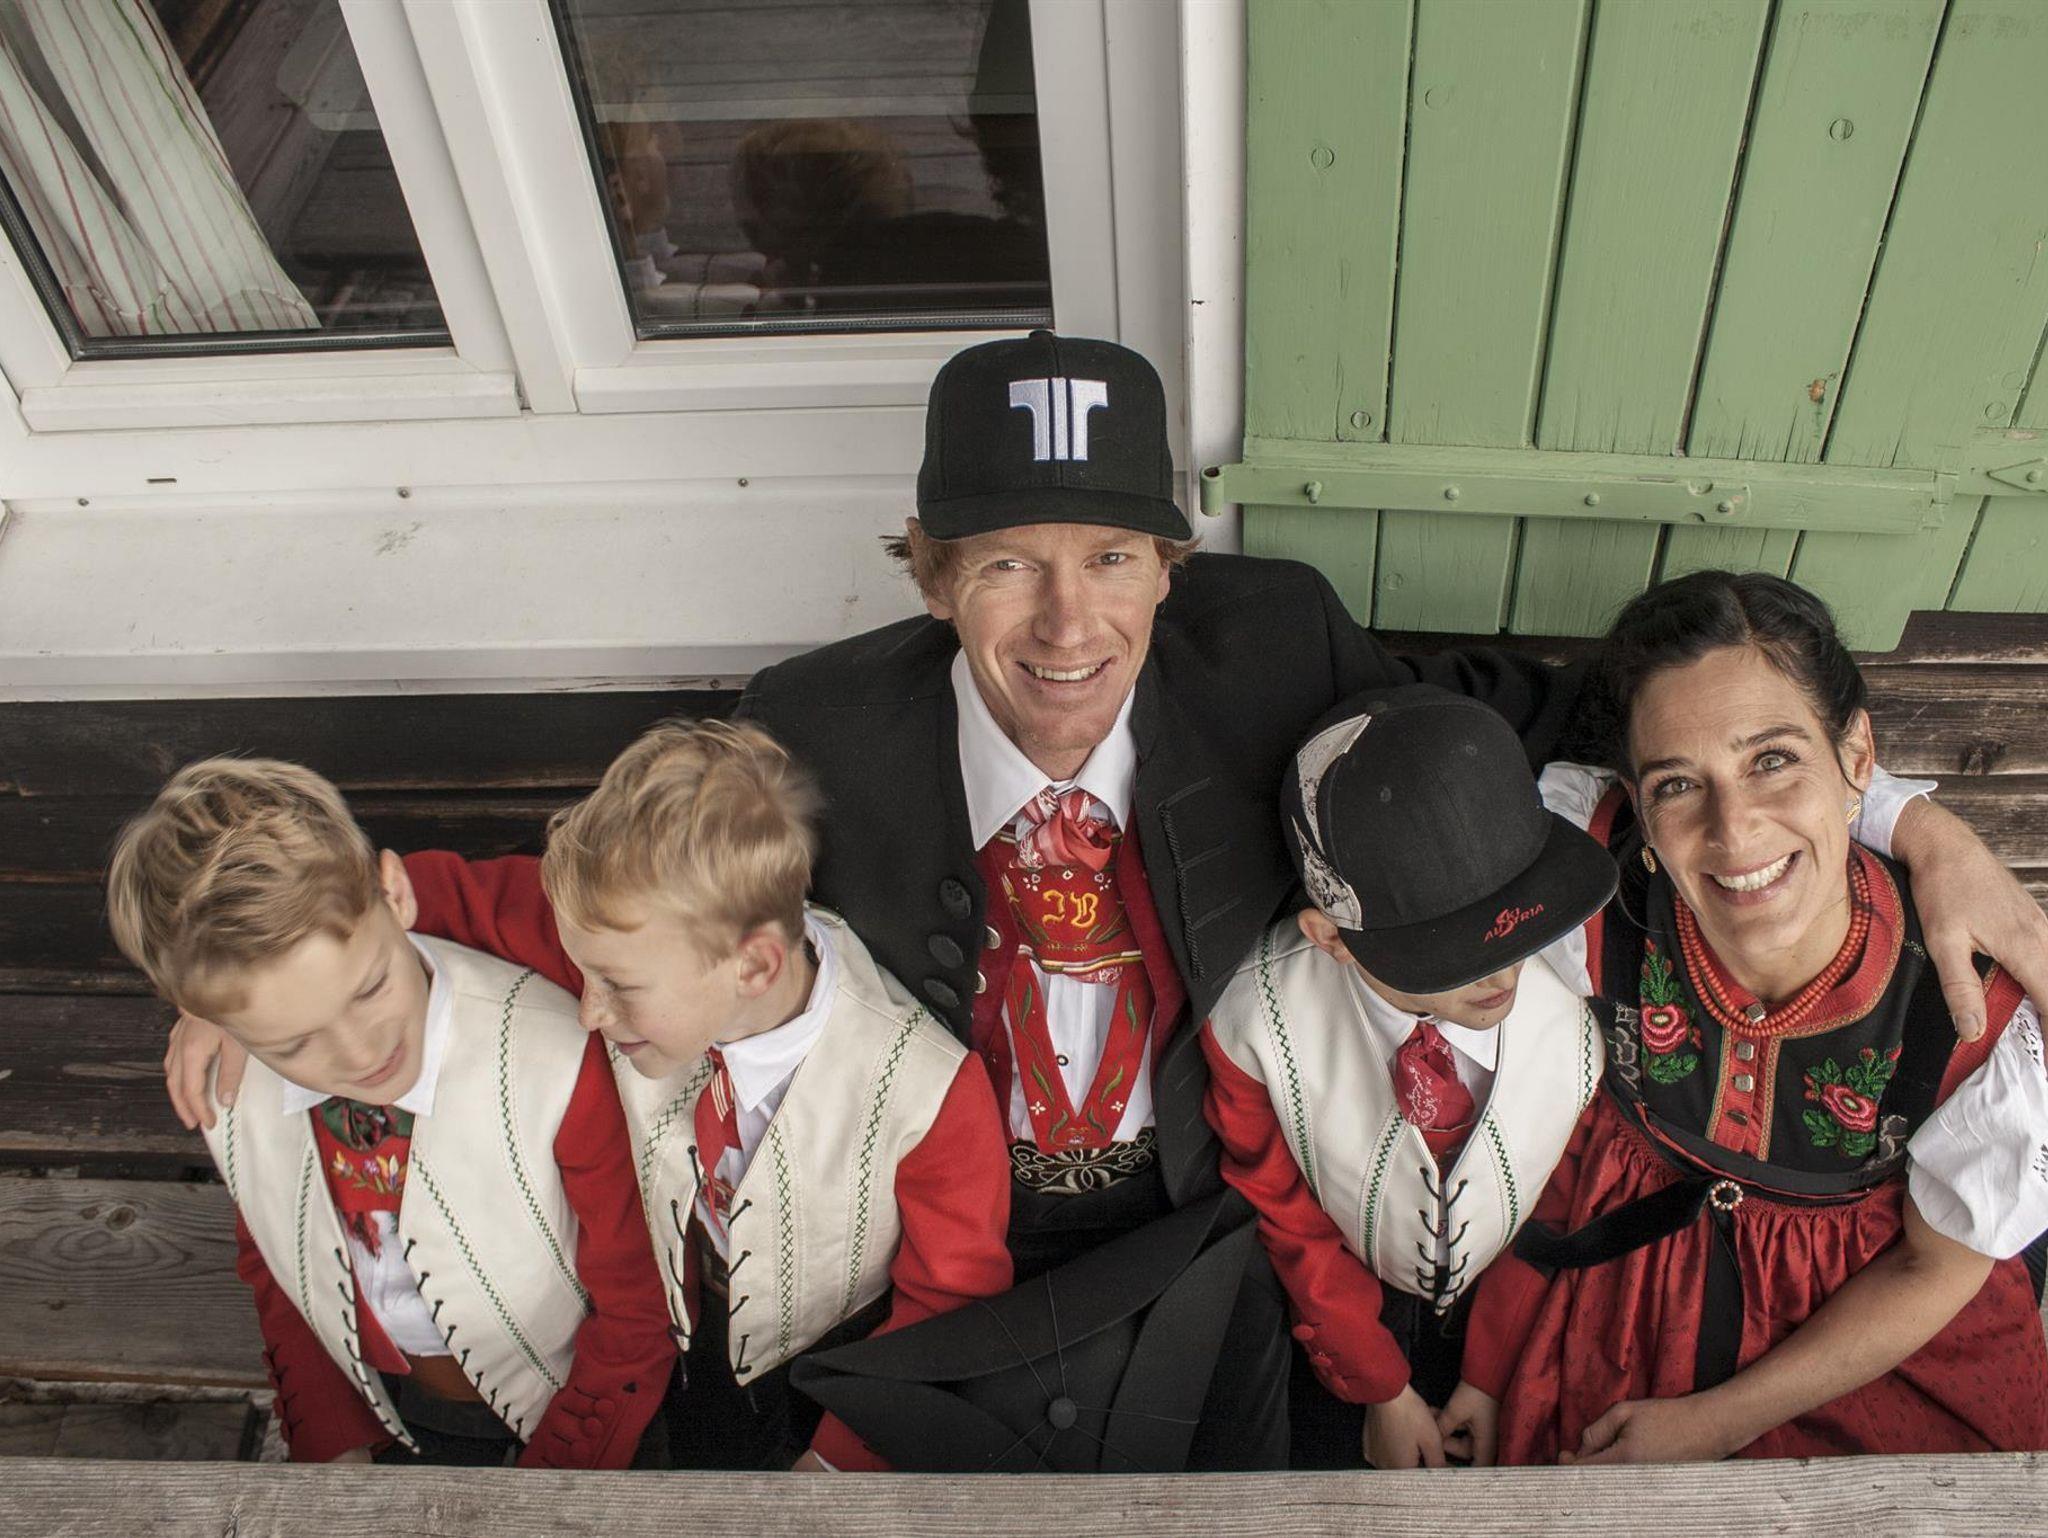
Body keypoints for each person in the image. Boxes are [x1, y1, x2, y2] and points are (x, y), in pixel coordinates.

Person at [164, 332, 2048, 1465]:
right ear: (929, 574)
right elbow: (598, 883)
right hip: (925, 1249)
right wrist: (279, 963)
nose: (1068, 623)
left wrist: (1911, 820)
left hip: (1231, 1216)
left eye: (1113, 556)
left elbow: (1584, 730)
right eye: (1006, 563)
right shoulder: (816, 721)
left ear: (1170, 562)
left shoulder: (1273, 643)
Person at [1442, 571, 2048, 1465]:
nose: (1734, 831)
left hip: (1868, 1331)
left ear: (1857, 758)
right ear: (1639, 803)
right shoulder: (1591, 889)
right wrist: (1489, 1367)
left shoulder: (1966, 1009)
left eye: (1772, 761)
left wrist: (1718, 1423)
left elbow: (1937, 1267)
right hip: (1625, 1285)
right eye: (1679, 785)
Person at [384, 720, 1012, 1470]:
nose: (589, 1010)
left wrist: (843, 1458)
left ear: (754, 968)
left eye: (617, 987)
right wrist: (347, 917)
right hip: (677, 1358)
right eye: (585, 976)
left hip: (834, 1381)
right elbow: (465, 899)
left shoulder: (926, 1093)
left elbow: (948, 1303)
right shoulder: (631, 937)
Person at [106, 758, 673, 1467]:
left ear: (397, 894)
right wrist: (332, 1442)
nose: (360, 1052)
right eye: (294, 1043)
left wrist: (561, 1473)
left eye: (370, 989)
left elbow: (638, 1306)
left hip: (589, 1413)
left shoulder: (551, 1059)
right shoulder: (233, 1089)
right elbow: (283, 1271)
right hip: (394, 1411)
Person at [1200, 685, 1617, 1469]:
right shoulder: (1254, 1021)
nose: (1502, 970)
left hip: (1513, 1317)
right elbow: (1283, 1210)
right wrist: (1379, 1385)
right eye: (1449, 948)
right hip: (1335, 1321)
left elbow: (1560, 1203)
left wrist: (1491, 1374)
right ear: (1331, 938)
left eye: (1517, 923)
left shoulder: (1578, 1007)